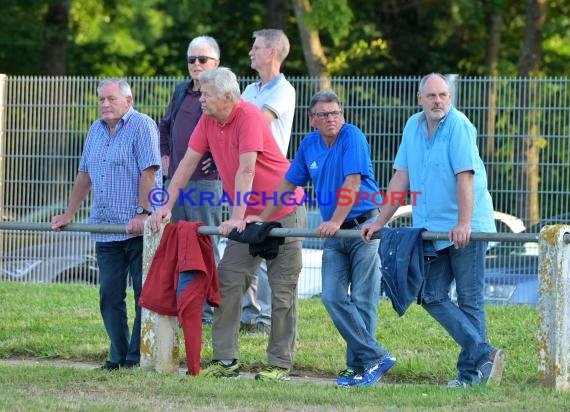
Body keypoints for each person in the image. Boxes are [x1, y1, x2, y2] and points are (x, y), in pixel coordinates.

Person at [148, 67, 306, 382]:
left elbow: (246, 171)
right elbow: (185, 164)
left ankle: (279, 363)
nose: (200, 100)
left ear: (228, 97)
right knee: (228, 281)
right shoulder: (207, 120)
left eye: (206, 95)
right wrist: (165, 205)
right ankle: (225, 360)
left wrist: (236, 217)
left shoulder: (248, 116)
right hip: (244, 214)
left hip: (282, 208)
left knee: (282, 290)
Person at [361, 73, 506, 388]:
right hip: (431, 229)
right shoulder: (412, 126)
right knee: (429, 294)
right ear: (420, 98)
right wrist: (379, 221)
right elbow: (401, 178)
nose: (437, 101)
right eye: (431, 96)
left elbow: (464, 177)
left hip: (466, 226)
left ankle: (470, 376)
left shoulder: (460, 126)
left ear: (450, 97)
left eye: (443, 95)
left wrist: (464, 224)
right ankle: (484, 354)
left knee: (469, 300)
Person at [246, 89, 396, 387]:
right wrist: (263, 218)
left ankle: (359, 368)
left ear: (343, 115)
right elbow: (289, 183)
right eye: (324, 114)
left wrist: (335, 221)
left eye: (336, 113)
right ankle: (376, 356)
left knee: (363, 300)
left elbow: (353, 182)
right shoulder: (310, 144)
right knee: (331, 296)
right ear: (311, 119)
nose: (331, 119)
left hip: (363, 228)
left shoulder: (352, 136)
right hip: (335, 232)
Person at [51, 78, 161, 370]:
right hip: (105, 227)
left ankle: (134, 359)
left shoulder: (142, 125)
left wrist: (142, 212)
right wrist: (69, 213)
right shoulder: (95, 131)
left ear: (128, 100)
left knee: (143, 296)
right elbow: (84, 174)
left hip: (138, 229)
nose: (104, 104)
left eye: (111, 99)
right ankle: (118, 355)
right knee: (109, 296)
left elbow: (148, 172)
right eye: (101, 99)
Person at [158, 35, 223, 325]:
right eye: (191, 59)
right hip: (175, 183)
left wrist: (219, 160)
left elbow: (231, 133)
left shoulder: (222, 94)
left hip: (205, 183)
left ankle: (208, 311)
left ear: (216, 63)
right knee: (177, 243)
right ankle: (182, 306)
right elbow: (165, 126)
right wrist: (165, 156)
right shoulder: (181, 91)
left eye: (202, 59)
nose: (196, 65)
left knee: (205, 242)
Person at [240, 28, 296, 335]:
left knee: (270, 247)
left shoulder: (283, 90)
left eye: (256, 47)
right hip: (247, 177)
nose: (251, 52)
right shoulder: (249, 90)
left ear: (272, 52)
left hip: (272, 182)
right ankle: (250, 314)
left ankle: (264, 319)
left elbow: (253, 124)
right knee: (244, 243)